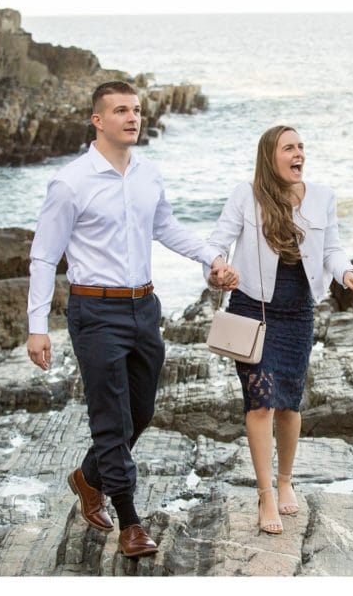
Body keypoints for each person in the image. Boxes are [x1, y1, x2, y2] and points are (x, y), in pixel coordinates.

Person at [26, 80, 238, 557]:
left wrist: (211, 259)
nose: (132, 117)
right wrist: (37, 326)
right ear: (97, 120)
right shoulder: (70, 183)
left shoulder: (148, 174)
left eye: (137, 110)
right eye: (121, 110)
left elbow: (165, 227)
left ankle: (88, 476)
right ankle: (130, 523)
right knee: (111, 419)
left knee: (140, 412)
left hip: (145, 308)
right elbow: (44, 257)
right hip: (94, 310)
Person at [205, 125, 353, 535]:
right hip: (252, 309)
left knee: (289, 404)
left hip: (299, 312)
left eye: (302, 146)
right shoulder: (244, 195)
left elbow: (332, 249)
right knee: (260, 402)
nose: (299, 153)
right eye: (289, 148)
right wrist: (218, 269)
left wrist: (348, 274)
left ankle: (286, 480)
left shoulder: (321, 197)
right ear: (270, 156)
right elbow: (218, 242)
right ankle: (265, 492)